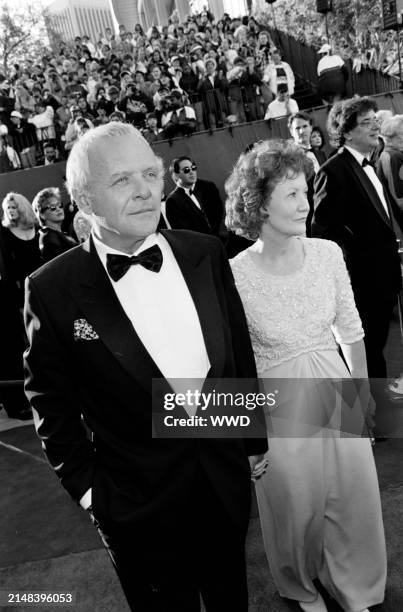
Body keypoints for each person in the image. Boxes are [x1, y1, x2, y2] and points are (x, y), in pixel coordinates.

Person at [24, 122, 267, 612]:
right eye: (121, 181)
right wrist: (91, 494)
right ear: (83, 200)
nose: (145, 191)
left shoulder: (205, 251)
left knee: (231, 600)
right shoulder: (52, 288)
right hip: (133, 502)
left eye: (150, 173)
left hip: (224, 482)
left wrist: (252, 443)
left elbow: (237, 351)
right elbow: (49, 400)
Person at [227, 139, 386, 612]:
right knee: (295, 509)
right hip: (278, 408)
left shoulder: (327, 253)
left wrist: (361, 394)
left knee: (352, 499)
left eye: (306, 191)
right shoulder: (234, 273)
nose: (306, 203)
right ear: (259, 203)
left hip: (337, 388)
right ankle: (300, 585)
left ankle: (356, 584)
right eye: (292, 194)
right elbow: (237, 360)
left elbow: (352, 332)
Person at [312, 96, 402, 384]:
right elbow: (323, 231)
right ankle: (369, 418)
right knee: (366, 353)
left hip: (383, 277)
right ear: (346, 131)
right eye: (366, 123)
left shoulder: (369, 164)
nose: (376, 126)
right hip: (363, 283)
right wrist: (360, 263)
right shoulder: (333, 170)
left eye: (376, 120)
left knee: (375, 349)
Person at [165, 155, 226, 242]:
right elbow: (183, 232)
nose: (191, 172)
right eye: (186, 170)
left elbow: (219, 212)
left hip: (223, 239)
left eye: (193, 168)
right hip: (200, 246)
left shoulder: (209, 187)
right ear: (176, 175)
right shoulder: (172, 201)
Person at [32, 187, 77, 263]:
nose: (58, 209)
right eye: (52, 207)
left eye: (59, 205)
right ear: (42, 214)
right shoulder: (48, 236)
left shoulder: (56, 233)